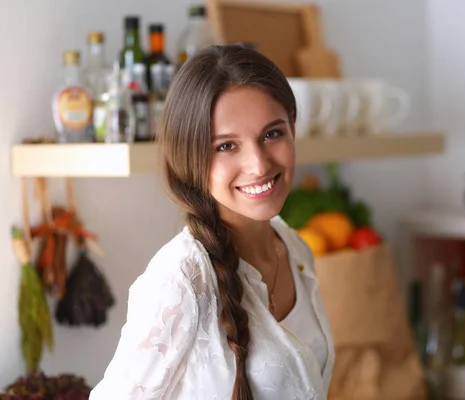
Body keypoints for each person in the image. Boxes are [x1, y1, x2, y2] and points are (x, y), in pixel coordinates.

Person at [89, 44, 335, 400]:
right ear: (191, 157)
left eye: (271, 134)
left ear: (293, 127)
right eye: (225, 146)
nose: (259, 165)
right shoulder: (181, 281)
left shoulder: (294, 248)